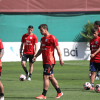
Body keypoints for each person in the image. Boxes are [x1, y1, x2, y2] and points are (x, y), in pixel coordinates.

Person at [33, 24, 64, 99]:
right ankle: (59, 92)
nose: (40, 31)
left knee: (45, 76)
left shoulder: (52, 37)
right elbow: (41, 49)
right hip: (45, 61)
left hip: (50, 61)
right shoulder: (42, 39)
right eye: (40, 30)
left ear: (46, 29)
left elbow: (58, 49)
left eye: (41, 30)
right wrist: (35, 56)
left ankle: (44, 94)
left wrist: (60, 58)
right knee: (51, 77)